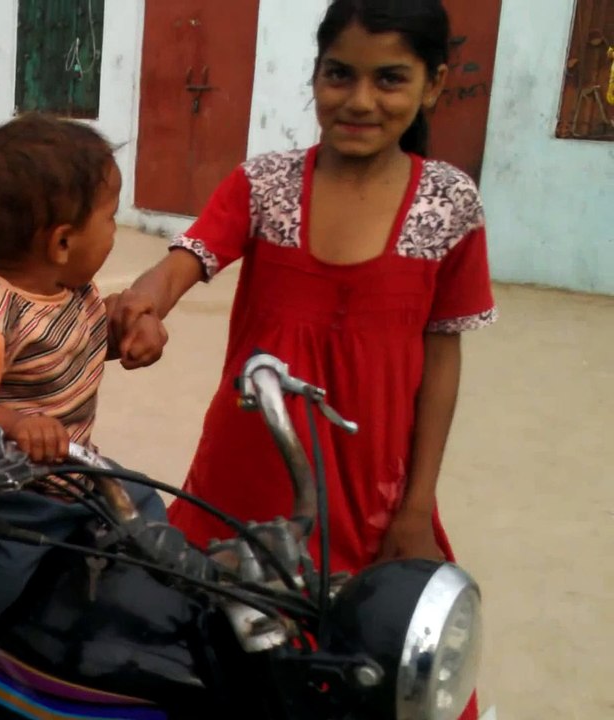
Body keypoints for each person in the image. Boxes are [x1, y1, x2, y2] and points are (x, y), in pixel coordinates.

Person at [110, 2, 494, 717]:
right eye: (339, 75)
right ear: (315, 76)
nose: (360, 100)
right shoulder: (266, 183)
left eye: (390, 80)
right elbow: (189, 257)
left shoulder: (450, 205)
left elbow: (442, 361)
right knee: (220, 657)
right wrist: (143, 301)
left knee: (378, 669)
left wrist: (414, 508)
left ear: (433, 86)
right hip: (246, 471)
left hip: (372, 492)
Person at [0, 114, 168, 719]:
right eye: (110, 217)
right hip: (9, 489)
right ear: (62, 242)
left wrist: (132, 331)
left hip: (73, 468)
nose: (116, 231)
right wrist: (15, 425)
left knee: (147, 506)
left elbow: (76, 345)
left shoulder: (74, 290)